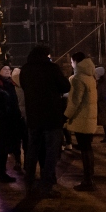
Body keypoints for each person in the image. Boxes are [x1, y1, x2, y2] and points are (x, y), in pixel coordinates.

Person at [20, 44, 71, 197]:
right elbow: (65, 86)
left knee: (32, 150)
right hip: (51, 117)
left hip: (34, 116)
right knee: (51, 152)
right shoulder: (51, 68)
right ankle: (47, 185)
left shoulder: (26, 69)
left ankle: (29, 182)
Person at [65, 52, 97, 191]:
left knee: (84, 149)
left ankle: (87, 180)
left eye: (72, 61)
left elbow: (75, 101)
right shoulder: (90, 77)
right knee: (88, 148)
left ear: (76, 61)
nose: (71, 64)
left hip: (82, 118)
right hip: (89, 118)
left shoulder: (78, 78)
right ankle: (90, 177)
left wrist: (66, 115)